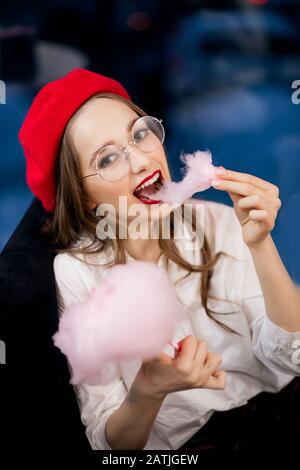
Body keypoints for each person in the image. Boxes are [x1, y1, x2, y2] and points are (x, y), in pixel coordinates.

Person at [19, 68, 300, 451]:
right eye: (108, 159)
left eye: (139, 133)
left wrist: (260, 244)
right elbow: (110, 447)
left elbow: (291, 358)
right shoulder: (76, 272)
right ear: (82, 196)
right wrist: (149, 391)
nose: (140, 160)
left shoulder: (217, 220)